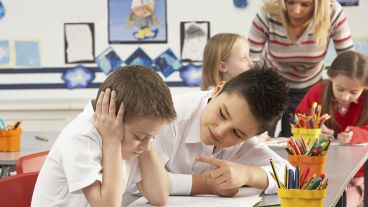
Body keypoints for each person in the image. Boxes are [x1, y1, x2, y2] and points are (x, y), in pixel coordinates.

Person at [125, 66, 292, 202]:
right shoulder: (167, 118)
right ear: (218, 90)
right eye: (222, 114)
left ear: (251, 136)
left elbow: (293, 176)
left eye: (237, 133)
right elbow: (135, 182)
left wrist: (248, 174)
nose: (220, 131)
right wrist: (205, 183)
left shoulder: (245, 139)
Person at [31, 65, 176, 207]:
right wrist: (111, 142)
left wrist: (145, 139)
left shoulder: (133, 137)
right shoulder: (81, 137)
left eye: (153, 137)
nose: (145, 146)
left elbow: (159, 196)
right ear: (113, 118)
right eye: (139, 137)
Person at [248, 0, 354, 137]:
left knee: (297, 139)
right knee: (259, 136)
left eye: (305, 4)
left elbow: (349, 60)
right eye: (290, 2)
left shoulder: (332, 11)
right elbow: (250, 60)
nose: (296, 10)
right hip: (270, 83)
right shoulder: (269, 11)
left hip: (308, 88)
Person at [296, 51, 368, 207]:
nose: (346, 96)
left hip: (356, 176)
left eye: (354, 92)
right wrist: (313, 128)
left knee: (344, 202)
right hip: (321, 171)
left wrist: (357, 134)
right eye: (340, 88)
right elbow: (299, 118)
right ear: (331, 77)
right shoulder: (318, 91)